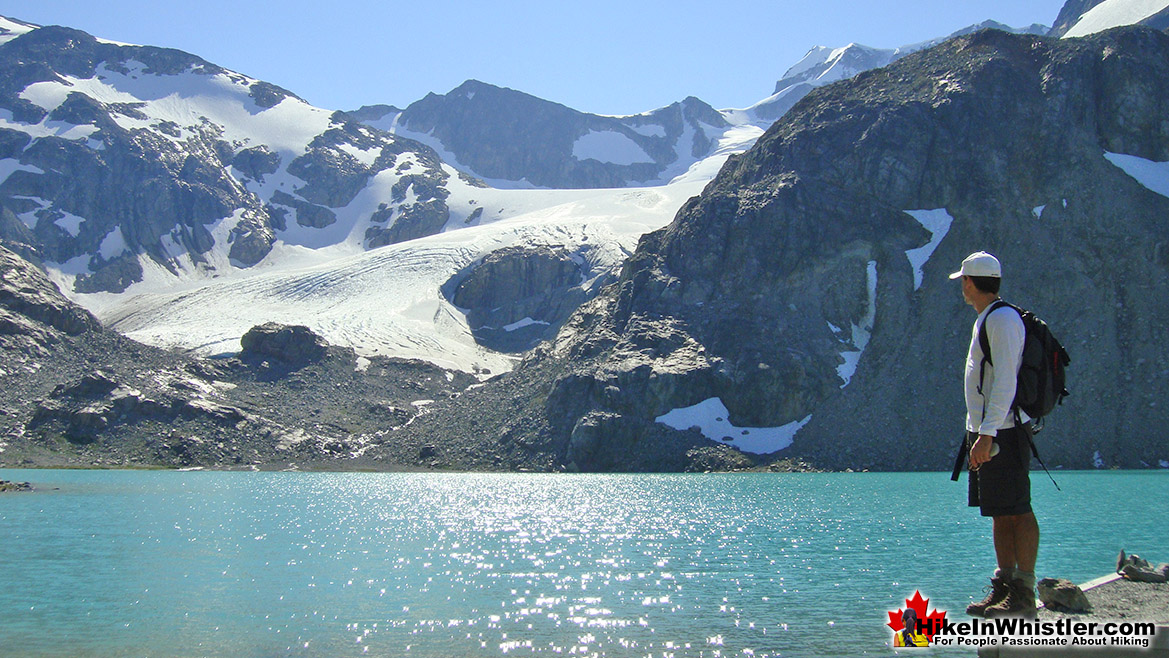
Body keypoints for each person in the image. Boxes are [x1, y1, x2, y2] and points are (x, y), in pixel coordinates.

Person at [948, 251, 1039, 618]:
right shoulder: (991, 317)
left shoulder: (1002, 320)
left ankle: (1024, 593)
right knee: (1000, 511)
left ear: (970, 282)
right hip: (988, 430)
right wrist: (978, 432)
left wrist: (986, 434)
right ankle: (1005, 588)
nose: (962, 288)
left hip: (1004, 432)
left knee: (1018, 508)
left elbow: (1005, 381)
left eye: (963, 282)